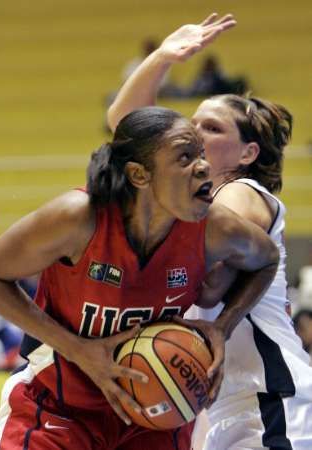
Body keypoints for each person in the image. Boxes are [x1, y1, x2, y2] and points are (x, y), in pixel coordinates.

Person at [0, 106, 279, 450]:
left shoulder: (214, 227)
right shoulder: (79, 217)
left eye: (201, 155)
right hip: (58, 406)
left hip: (154, 419)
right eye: (184, 157)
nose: (203, 166)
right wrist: (77, 350)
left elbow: (267, 259)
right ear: (139, 175)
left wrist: (224, 325)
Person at [106, 13, 312, 449]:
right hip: (227, 404)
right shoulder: (191, 205)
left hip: (272, 395)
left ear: (247, 152)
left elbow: (210, 287)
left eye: (212, 128)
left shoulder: (240, 192)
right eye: (193, 123)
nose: (195, 133)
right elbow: (125, 123)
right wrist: (162, 57)